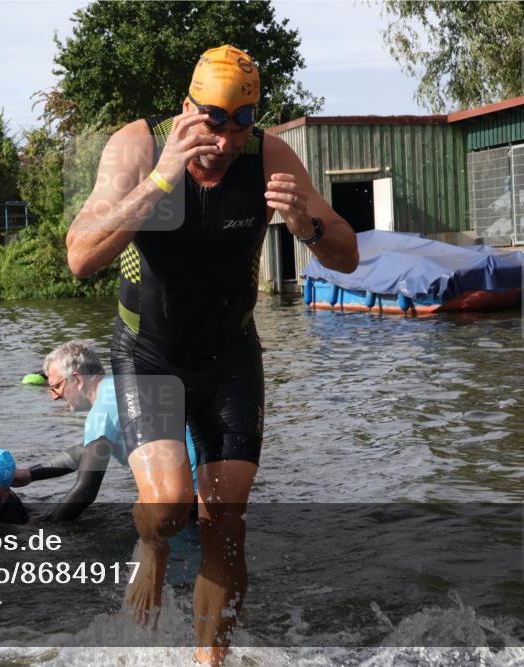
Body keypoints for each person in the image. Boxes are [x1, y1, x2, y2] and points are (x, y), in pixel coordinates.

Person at [65, 45, 359, 665]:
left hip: (229, 354)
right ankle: (152, 544)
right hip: (150, 353)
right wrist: (162, 178)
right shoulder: (138, 147)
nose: (225, 140)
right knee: (168, 510)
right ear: (186, 109)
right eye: (213, 121)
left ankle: (210, 662)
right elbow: (81, 256)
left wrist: (305, 223)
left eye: (242, 123)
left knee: (224, 522)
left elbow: (347, 254)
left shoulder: (270, 154)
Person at [14, 341, 198, 522]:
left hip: (183, 500)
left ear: (77, 379)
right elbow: (87, 451)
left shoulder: (101, 412)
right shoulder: (118, 386)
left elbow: (86, 490)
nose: (54, 396)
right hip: (208, 484)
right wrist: (30, 474)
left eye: (57, 386)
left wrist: (45, 525)